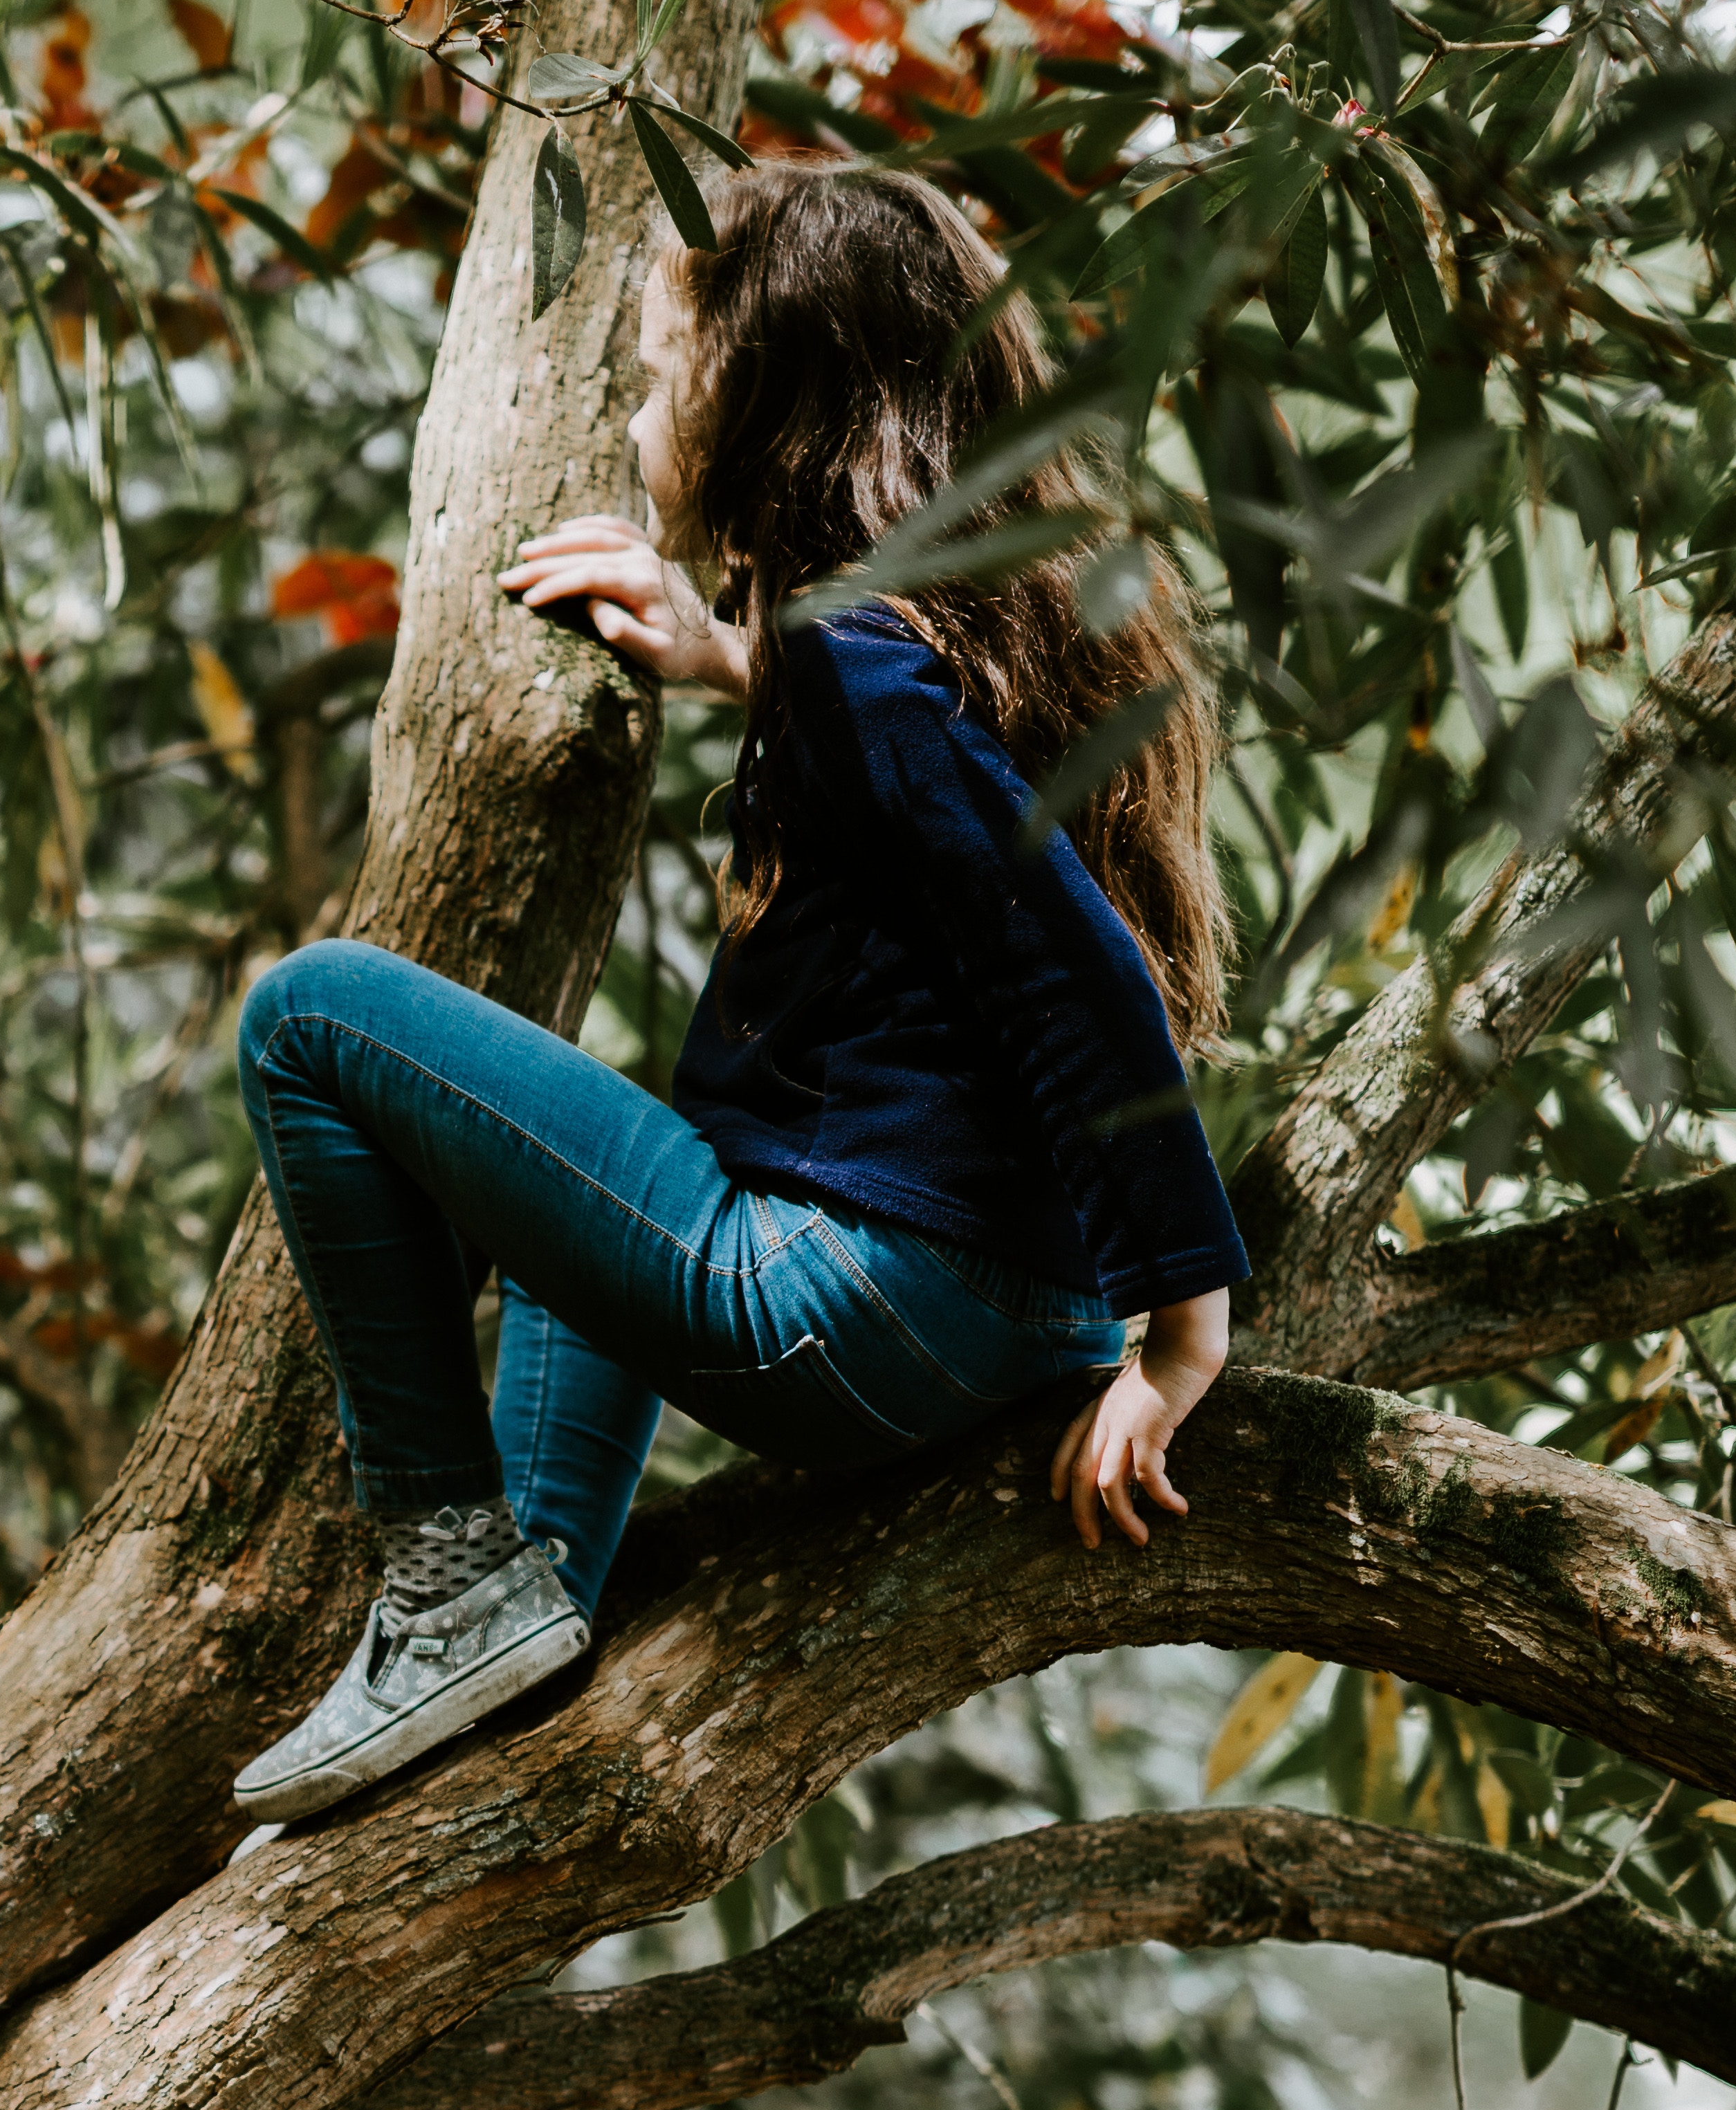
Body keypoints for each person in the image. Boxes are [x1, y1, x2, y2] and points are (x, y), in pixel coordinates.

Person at [230, 165, 1248, 1819]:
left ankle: (446, 1565)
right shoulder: (920, 647)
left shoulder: (860, 658)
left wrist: (1187, 1331)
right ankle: (522, 1601)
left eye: (650, 379)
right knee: (600, 1185)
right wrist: (725, 656)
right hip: (991, 1318)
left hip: (853, 1306)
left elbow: (1076, 972)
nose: (637, 422)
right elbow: (951, 821)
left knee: (312, 1018)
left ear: (761, 392)